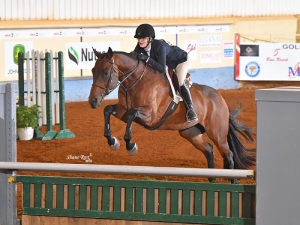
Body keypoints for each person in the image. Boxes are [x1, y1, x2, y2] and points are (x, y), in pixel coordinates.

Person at [133, 23, 198, 123]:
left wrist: (146, 59)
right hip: (168, 64)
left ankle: (191, 110)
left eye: (143, 38)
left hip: (180, 61)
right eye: (139, 38)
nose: (140, 41)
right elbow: (132, 56)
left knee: (180, 82)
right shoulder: (140, 47)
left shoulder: (159, 46)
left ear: (150, 38)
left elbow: (161, 68)